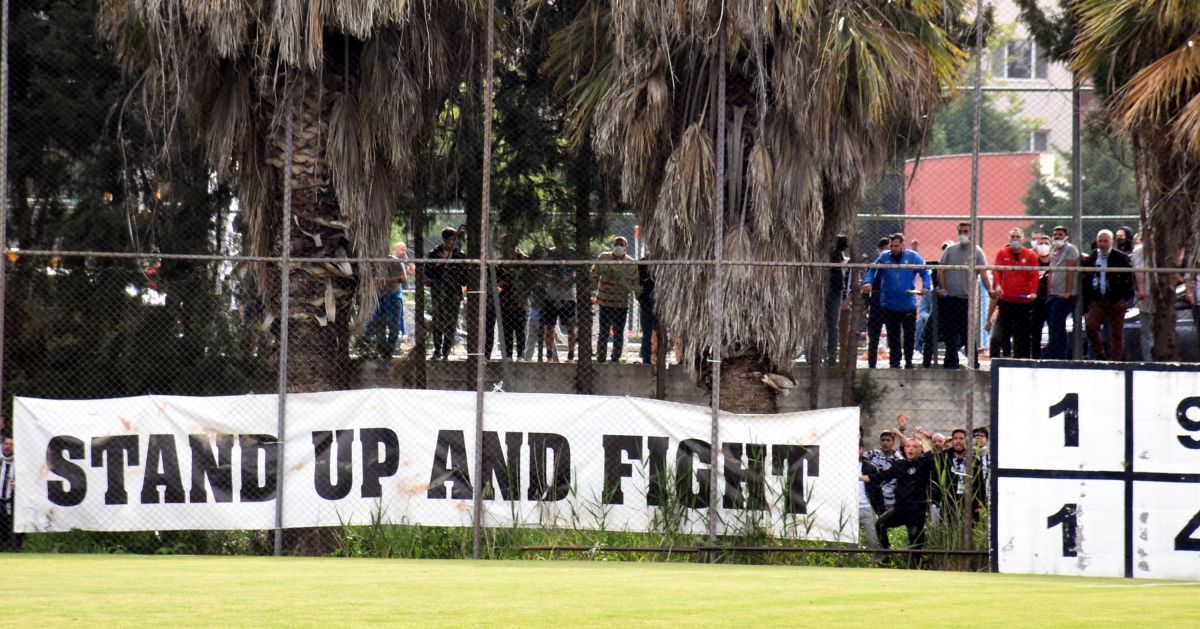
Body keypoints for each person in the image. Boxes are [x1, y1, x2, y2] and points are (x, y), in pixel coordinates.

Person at [861, 433, 936, 562]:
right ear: (904, 449)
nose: (911, 449)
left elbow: (931, 457)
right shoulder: (900, 464)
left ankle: (916, 565)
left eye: (914, 446)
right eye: (908, 446)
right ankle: (886, 553)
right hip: (900, 509)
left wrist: (923, 438)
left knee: (915, 544)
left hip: (916, 511)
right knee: (880, 524)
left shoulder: (923, 463)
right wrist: (860, 477)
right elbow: (882, 476)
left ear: (920, 449)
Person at [863, 233, 931, 369]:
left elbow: (925, 271)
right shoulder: (884, 257)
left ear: (902, 245)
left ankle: (909, 362)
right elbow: (872, 271)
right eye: (892, 246)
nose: (893, 248)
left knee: (909, 335)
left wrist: (925, 286)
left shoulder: (912, 256)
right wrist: (868, 283)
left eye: (896, 246)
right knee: (893, 336)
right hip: (889, 304)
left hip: (908, 304)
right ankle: (894, 363)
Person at [937, 222, 992, 369]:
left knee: (967, 331)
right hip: (950, 297)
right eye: (960, 231)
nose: (963, 234)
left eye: (966, 231)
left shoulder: (977, 252)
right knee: (950, 331)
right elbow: (940, 270)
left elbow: (983, 274)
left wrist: (990, 290)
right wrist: (942, 288)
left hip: (965, 298)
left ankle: (973, 361)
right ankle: (951, 361)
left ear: (971, 233)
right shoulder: (950, 250)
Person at [1082, 229, 1134, 361]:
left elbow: (1129, 280)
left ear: (1111, 242)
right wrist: (1087, 303)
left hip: (1115, 300)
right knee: (1090, 326)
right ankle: (1100, 354)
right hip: (1098, 300)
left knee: (1116, 333)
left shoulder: (1121, 258)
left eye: (1106, 241)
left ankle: (1116, 361)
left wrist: (1124, 299)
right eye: (1100, 241)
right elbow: (1087, 278)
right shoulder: (1093, 257)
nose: (1102, 244)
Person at [992, 227, 1041, 358]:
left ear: (1022, 238)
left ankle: (1022, 358)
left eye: (1017, 237)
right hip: (1006, 299)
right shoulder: (1002, 253)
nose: (1015, 239)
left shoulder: (1030, 255)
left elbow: (1034, 275)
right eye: (1012, 237)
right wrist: (997, 285)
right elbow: (996, 271)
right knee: (1004, 331)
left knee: (1023, 332)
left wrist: (1033, 292)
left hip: (1023, 300)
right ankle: (1006, 355)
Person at [591, 237, 641, 363]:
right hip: (604, 301)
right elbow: (594, 274)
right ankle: (601, 357)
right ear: (612, 245)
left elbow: (636, 283)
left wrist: (628, 286)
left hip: (621, 303)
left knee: (618, 332)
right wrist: (592, 291)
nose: (619, 246)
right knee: (604, 331)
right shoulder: (604, 257)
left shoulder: (630, 263)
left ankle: (615, 358)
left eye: (621, 244)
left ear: (626, 247)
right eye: (616, 244)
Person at [425, 227, 469, 361]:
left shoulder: (459, 255)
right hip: (438, 293)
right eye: (451, 239)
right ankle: (437, 350)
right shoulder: (434, 254)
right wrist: (438, 268)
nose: (453, 242)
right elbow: (427, 274)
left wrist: (456, 277)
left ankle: (446, 352)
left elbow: (465, 277)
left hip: (453, 294)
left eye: (454, 240)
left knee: (451, 323)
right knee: (437, 322)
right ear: (445, 239)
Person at [363, 242, 410, 359]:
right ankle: (384, 351)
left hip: (394, 297)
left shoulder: (395, 262)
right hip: (379, 298)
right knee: (379, 326)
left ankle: (389, 352)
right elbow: (370, 280)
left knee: (394, 325)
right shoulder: (373, 263)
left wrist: (387, 280)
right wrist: (389, 280)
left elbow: (404, 279)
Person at [1044, 226, 1080, 360]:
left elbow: (1071, 272)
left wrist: (1067, 292)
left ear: (1065, 237)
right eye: (1055, 234)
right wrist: (1049, 292)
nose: (1057, 236)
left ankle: (1057, 355)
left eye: (1060, 234)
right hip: (1053, 294)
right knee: (1053, 326)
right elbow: (1051, 272)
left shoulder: (1070, 250)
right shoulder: (1053, 250)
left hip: (1064, 295)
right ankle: (1054, 354)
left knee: (1058, 325)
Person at [542, 228, 577, 362]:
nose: (559, 239)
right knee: (550, 326)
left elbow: (576, 272)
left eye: (561, 236)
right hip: (552, 294)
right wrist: (553, 279)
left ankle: (571, 355)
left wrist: (568, 280)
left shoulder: (572, 253)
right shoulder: (550, 253)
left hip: (568, 295)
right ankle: (549, 355)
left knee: (570, 326)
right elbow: (543, 273)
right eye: (556, 236)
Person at [863, 238, 890, 368]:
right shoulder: (874, 266)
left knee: (892, 333)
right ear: (878, 251)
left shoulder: (896, 266)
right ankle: (871, 363)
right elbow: (866, 286)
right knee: (873, 336)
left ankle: (895, 363)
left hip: (892, 304)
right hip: (876, 304)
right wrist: (866, 305)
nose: (886, 253)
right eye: (884, 250)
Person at [826, 235, 851, 366]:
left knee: (833, 326)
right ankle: (827, 356)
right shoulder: (829, 254)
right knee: (830, 326)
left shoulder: (842, 258)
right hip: (829, 291)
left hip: (836, 292)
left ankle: (831, 356)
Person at [864, 431, 903, 510]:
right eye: (883, 440)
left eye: (888, 440)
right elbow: (861, 458)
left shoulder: (898, 459)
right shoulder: (873, 454)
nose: (885, 443)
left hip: (890, 499)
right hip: (873, 496)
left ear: (893, 443)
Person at [1131, 232, 1154, 361]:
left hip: (1162, 296)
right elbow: (1139, 272)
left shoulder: (1165, 249)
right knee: (1146, 332)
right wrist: (1141, 290)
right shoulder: (1140, 251)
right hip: (1146, 293)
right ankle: (1149, 361)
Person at [637, 252, 663, 364]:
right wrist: (641, 298)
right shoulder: (642, 263)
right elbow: (637, 282)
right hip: (647, 302)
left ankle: (660, 358)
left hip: (661, 303)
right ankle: (646, 359)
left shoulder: (663, 261)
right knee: (647, 333)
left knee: (660, 333)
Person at [1030, 234, 1053, 359]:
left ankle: (1051, 358)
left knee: (1053, 332)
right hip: (1036, 301)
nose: (1043, 246)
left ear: (1051, 246)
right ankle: (1035, 358)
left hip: (1051, 300)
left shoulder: (1055, 261)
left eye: (1046, 243)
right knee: (1035, 333)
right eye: (1040, 243)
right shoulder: (1032, 261)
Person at [859, 442, 886, 548]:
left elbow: (878, 490)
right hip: (850, 508)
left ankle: (878, 561)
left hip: (868, 507)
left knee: (874, 540)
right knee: (851, 543)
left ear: (862, 450)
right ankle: (851, 563)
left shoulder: (870, 467)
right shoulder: (843, 468)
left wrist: (881, 510)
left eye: (858, 448)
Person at [1, 436, 19, 552]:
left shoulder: (20, 465)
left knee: (11, 523)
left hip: (12, 500)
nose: (8, 446)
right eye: (6, 444)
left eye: (11, 444)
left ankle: (14, 547)